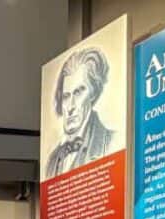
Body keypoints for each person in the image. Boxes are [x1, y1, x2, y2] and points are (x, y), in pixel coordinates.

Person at [45, 47, 115, 178]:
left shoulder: (111, 143)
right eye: (66, 96)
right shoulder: (52, 160)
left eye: (78, 92)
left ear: (93, 93)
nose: (70, 106)